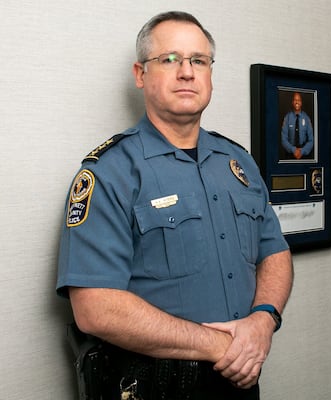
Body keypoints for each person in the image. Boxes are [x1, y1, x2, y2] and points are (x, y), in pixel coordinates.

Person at [56, 11, 293, 400]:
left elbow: (275, 252)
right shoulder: (111, 172)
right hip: (154, 385)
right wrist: (222, 347)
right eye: (170, 59)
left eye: (199, 61)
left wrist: (264, 320)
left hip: (240, 380)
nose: (187, 72)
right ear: (140, 74)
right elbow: (95, 308)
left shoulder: (239, 163)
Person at [280, 91, 314, 159]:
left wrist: (302, 151)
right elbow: (283, 139)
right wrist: (293, 150)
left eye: (299, 100)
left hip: (304, 154)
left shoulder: (306, 118)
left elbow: (311, 140)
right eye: (295, 100)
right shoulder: (287, 118)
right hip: (290, 154)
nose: (297, 102)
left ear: (301, 103)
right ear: (292, 102)